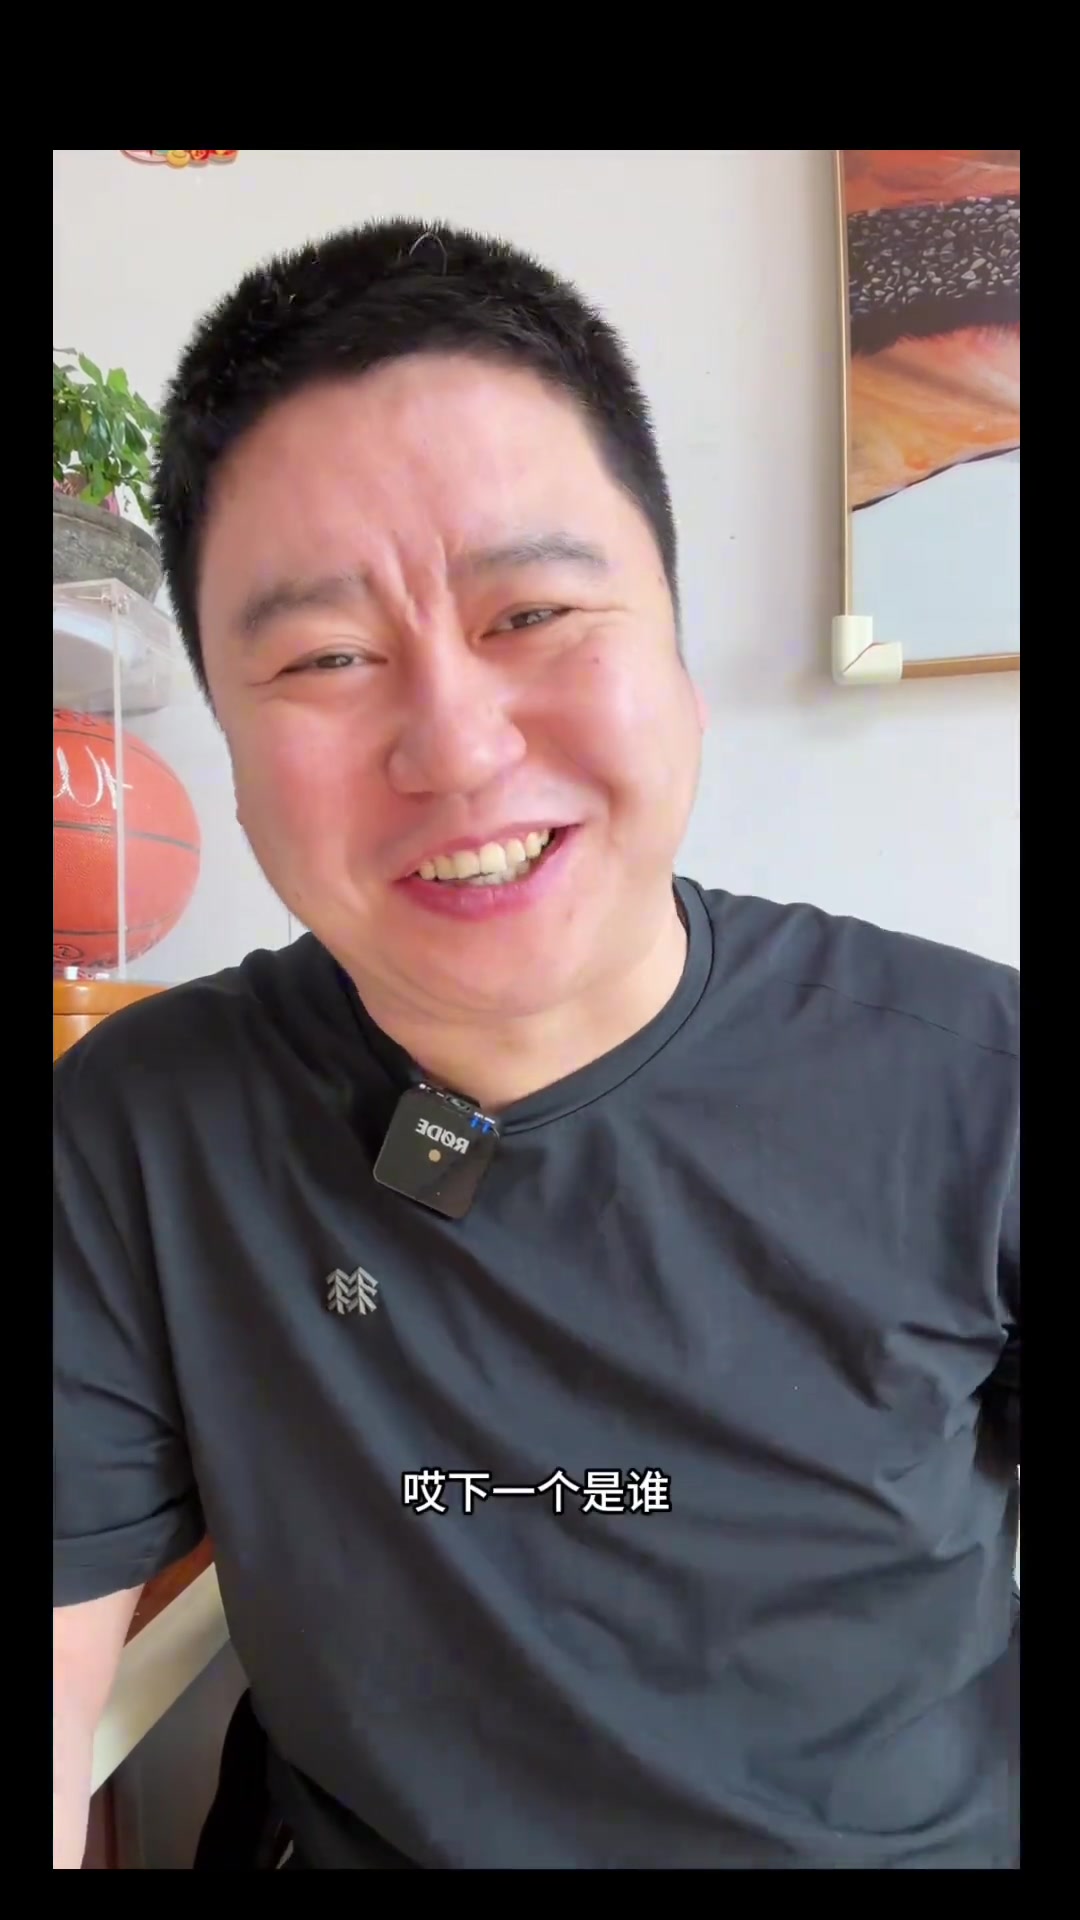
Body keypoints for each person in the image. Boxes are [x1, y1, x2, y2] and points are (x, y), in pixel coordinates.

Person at [53, 218, 1020, 1871]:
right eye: (327, 656)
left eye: (534, 611)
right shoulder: (142, 1130)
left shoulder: (976, 1078)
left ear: (677, 650)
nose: (454, 745)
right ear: (226, 742)